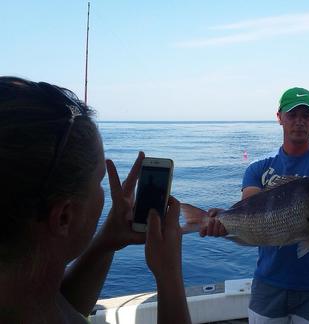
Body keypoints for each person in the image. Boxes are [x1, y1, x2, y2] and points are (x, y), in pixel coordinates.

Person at [0, 76, 191, 324]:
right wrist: (169, 275)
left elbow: (65, 304)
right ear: (64, 217)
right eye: (100, 181)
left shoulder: (22, 295)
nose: (106, 194)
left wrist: (106, 241)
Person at [202, 87, 309, 323]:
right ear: (279, 118)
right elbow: (249, 212)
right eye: (292, 115)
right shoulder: (259, 168)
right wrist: (223, 223)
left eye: (306, 115)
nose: (299, 122)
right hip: (269, 284)